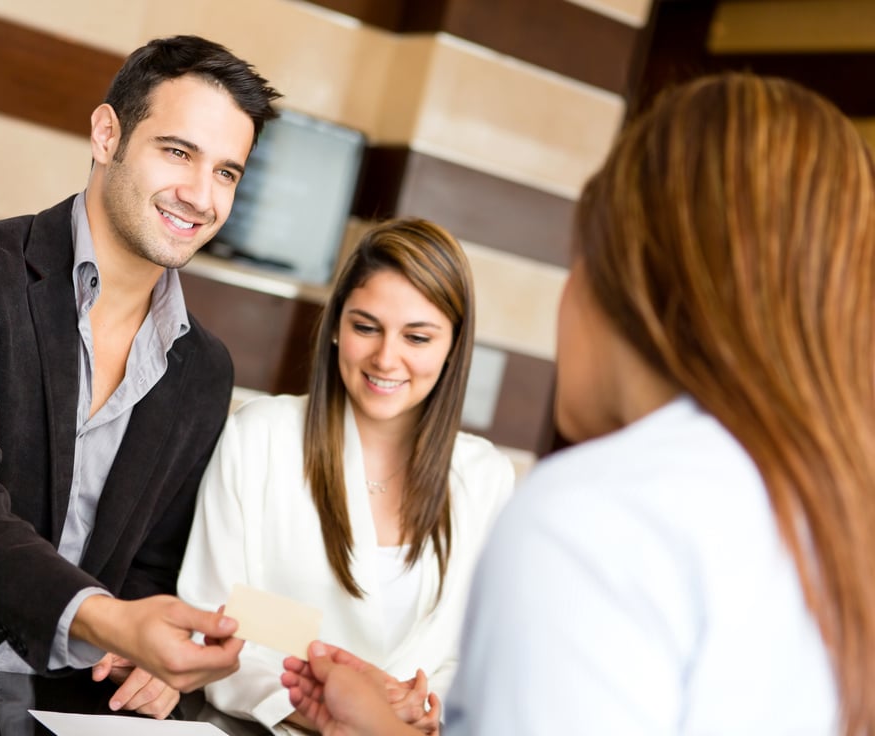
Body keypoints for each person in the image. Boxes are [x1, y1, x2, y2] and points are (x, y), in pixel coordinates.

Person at [280, 71, 875, 734]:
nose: (389, 356)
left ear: (624, 280)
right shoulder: (832, 509)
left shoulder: (593, 514)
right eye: (367, 325)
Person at [0, 34, 281, 720]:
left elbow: (151, 562)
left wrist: (151, 659)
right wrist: (111, 622)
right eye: (178, 152)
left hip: (71, 706)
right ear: (106, 134)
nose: (200, 195)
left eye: (226, 172)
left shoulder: (204, 370)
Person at [177, 218, 515, 734]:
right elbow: (211, 622)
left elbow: (477, 657)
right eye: (366, 327)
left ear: (454, 346)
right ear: (336, 326)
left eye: (418, 337)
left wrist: (412, 714)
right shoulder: (261, 437)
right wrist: (323, 714)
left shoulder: (487, 478)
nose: (386, 358)